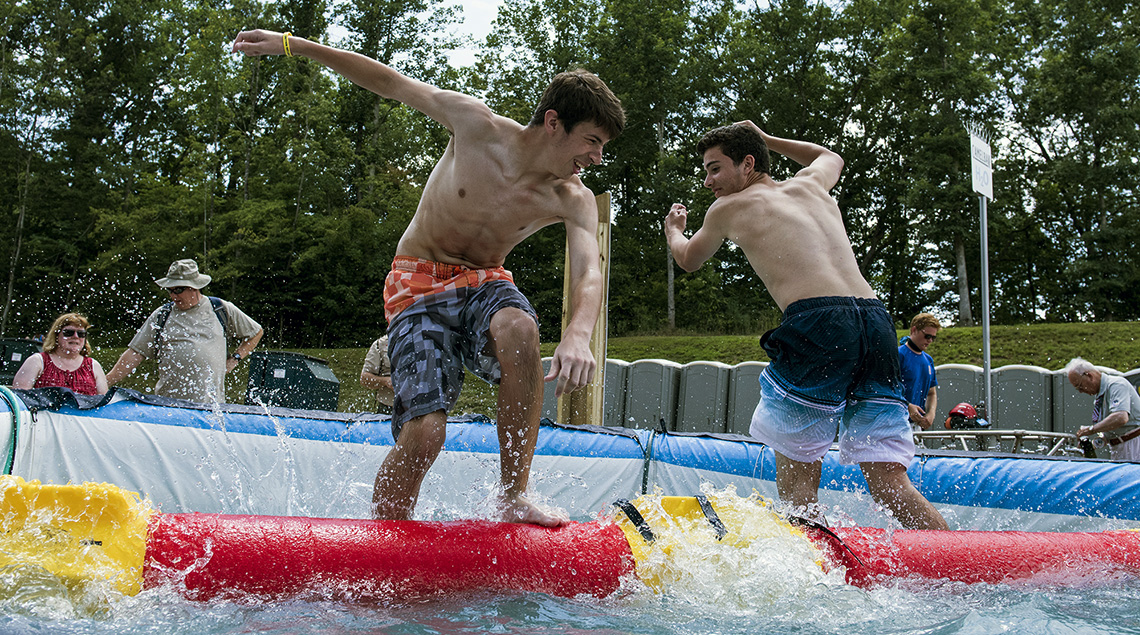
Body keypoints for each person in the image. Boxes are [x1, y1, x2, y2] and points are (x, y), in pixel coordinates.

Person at [232, 30, 624, 526]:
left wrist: (578, 335)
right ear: (553, 123)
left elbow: (590, 270)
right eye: (592, 141)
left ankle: (513, 495)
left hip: (485, 280)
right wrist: (295, 45)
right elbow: (389, 82)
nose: (596, 157)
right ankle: (388, 535)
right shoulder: (475, 126)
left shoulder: (572, 197)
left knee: (520, 328)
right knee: (426, 435)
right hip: (417, 283)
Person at [663, 121, 947, 530]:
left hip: (820, 324)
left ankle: (815, 579)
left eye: (715, 169)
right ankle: (954, 565)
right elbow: (831, 157)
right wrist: (767, 136)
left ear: (747, 163)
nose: (708, 181)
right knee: (889, 482)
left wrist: (674, 231)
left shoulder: (728, 208)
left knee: (798, 487)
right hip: (875, 321)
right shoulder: (812, 185)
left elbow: (688, 258)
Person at [106, 259, 264, 403]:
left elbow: (256, 333)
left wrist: (235, 359)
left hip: (210, 408)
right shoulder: (162, 315)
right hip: (167, 406)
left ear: (194, 287)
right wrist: (104, 383)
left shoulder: (221, 309)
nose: (173, 295)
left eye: (178, 290)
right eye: (170, 290)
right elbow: (135, 354)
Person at [12, 313, 108, 395]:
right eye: (69, 332)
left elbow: (104, 406)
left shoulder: (94, 366)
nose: (75, 337)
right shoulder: (37, 361)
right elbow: (20, 401)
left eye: (81, 334)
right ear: (56, 335)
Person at [1066, 357, 1140, 461]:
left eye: (1080, 386)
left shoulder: (1116, 385)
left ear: (1089, 376)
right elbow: (1112, 427)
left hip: (1134, 444)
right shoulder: (1100, 396)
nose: (1080, 391)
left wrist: (1091, 429)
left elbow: (1121, 417)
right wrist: (1093, 444)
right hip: (1119, 445)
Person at [898, 312, 942, 430]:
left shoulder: (928, 360)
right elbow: (886, 390)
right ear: (914, 330)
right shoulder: (899, 355)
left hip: (916, 426)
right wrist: (907, 406)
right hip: (895, 424)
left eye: (933, 337)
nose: (930, 341)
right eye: (927, 336)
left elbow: (931, 393)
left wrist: (931, 413)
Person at [360, 334, 394, 415]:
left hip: (421, 408)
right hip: (388, 408)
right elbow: (364, 379)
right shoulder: (380, 344)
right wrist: (386, 381)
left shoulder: (425, 340)